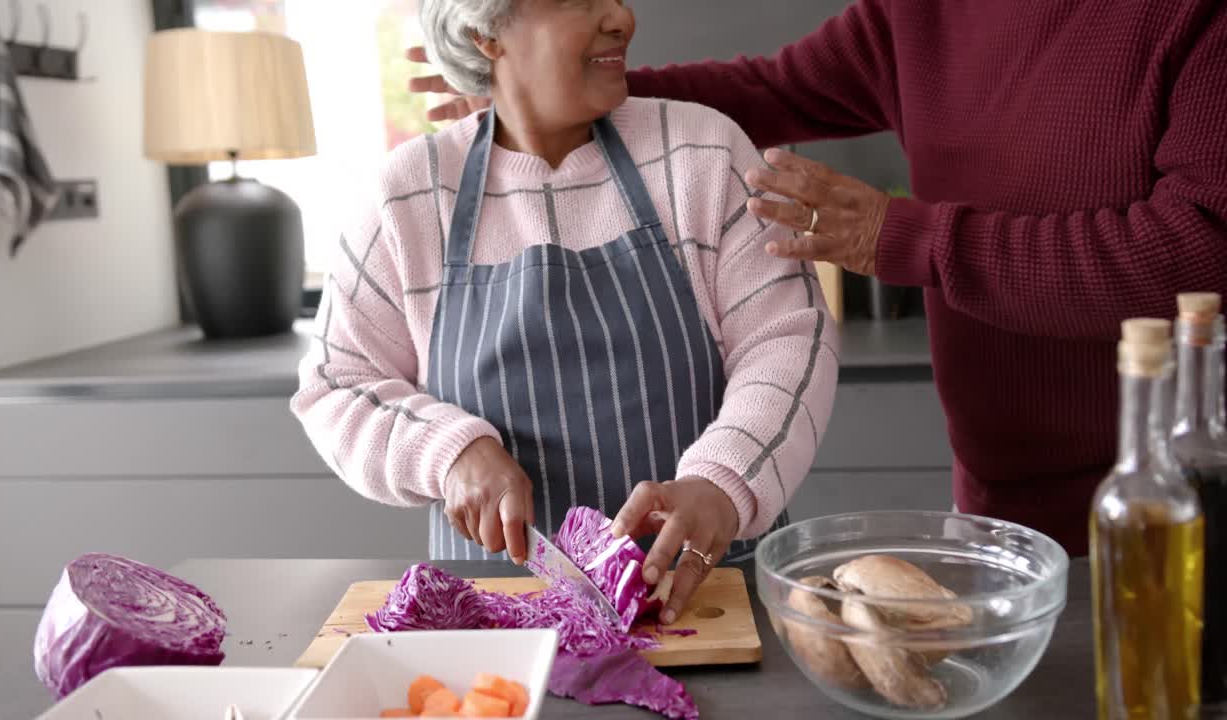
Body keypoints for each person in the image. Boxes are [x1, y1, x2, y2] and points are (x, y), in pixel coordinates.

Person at [408, 0, 1227, 556]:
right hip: (1001, 492)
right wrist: (559, 92)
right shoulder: (922, 12)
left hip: (1194, 489)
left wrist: (905, 239)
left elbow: (1199, 250)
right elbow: (774, 90)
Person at [291, 0, 838, 623]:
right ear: (485, 33)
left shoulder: (704, 151)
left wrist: (722, 484)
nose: (623, 18)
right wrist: (447, 451)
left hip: (711, 598)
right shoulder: (408, 194)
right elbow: (337, 385)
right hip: (499, 620)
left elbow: (788, 338)